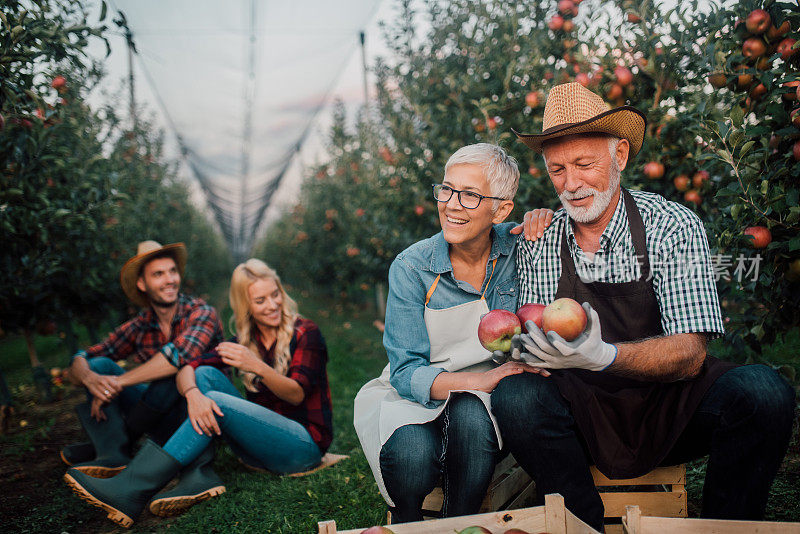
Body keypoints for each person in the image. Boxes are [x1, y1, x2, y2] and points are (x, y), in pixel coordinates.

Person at [491, 82, 796, 531]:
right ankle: (582, 525)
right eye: (556, 169)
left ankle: (727, 527)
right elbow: (531, 337)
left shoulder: (673, 225)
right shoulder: (540, 238)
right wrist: (520, 351)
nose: (571, 184)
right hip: (582, 415)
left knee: (764, 392)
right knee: (515, 397)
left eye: (584, 164)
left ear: (620, 157)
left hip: (668, 406)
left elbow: (691, 354)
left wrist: (605, 356)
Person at [354, 143, 552, 523]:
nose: (451, 204)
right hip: (421, 389)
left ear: (502, 208)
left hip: (487, 394)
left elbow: (574, 229)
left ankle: (458, 523)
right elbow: (407, 371)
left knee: (472, 424)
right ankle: (407, 522)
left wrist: (546, 217)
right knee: (410, 458)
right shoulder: (413, 268)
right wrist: (481, 380)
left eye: (471, 195)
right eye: (446, 189)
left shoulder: (520, 251)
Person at [63, 259, 333, 527]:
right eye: (260, 300)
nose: (273, 305)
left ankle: (132, 488)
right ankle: (168, 470)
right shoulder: (243, 341)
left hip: (301, 448)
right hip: (257, 451)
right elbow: (187, 368)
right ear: (246, 306)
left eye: (275, 295)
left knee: (214, 400)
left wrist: (257, 366)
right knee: (203, 375)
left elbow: (297, 395)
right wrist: (192, 394)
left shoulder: (305, 332)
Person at [64, 240, 224, 480]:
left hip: (200, 415)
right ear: (142, 283)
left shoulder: (201, 312)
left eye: (172, 271)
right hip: (159, 413)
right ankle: (112, 453)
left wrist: (117, 383)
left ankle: (119, 440)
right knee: (99, 366)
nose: (170, 280)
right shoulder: (140, 324)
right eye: (158, 274)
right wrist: (89, 377)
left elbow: (177, 358)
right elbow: (86, 357)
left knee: (172, 374)